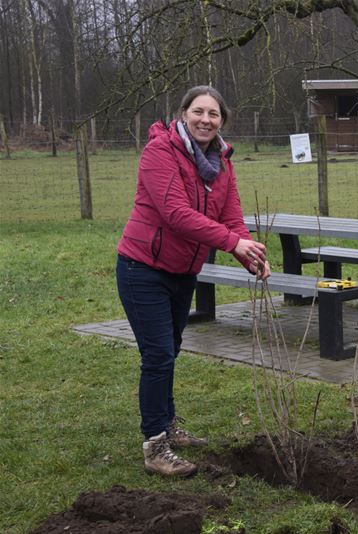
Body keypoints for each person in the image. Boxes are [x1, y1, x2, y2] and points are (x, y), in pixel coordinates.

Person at [116, 86, 270, 476]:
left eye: (213, 114)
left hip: (183, 272)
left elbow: (231, 218)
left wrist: (248, 253)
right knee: (158, 355)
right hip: (143, 268)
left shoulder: (221, 162)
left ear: (222, 120)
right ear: (183, 113)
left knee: (171, 348)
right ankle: (154, 446)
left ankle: (166, 425)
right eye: (198, 111)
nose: (205, 119)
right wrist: (233, 241)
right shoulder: (159, 152)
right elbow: (175, 214)